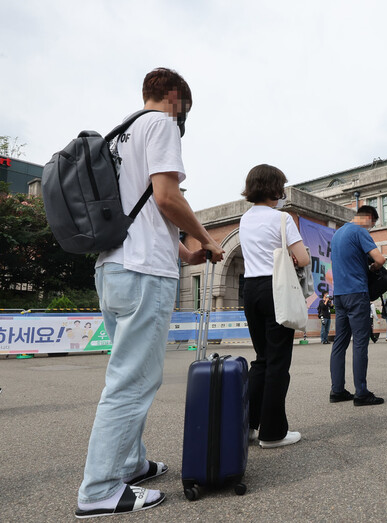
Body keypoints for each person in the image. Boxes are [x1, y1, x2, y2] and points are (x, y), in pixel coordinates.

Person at [76, 68, 224, 518]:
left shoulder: (120, 136)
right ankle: (100, 489)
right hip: (142, 273)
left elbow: (138, 210)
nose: (184, 121)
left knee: (128, 372)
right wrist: (208, 239)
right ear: (174, 97)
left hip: (114, 267)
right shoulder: (160, 123)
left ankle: (130, 464)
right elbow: (165, 197)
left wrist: (185, 254)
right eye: (186, 111)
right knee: (133, 380)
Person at [240, 164, 310, 449]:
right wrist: (293, 259)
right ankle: (273, 432)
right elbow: (303, 258)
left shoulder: (244, 219)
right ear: (275, 188)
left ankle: (248, 425)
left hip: (251, 290)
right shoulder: (282, 218)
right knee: (278, 362)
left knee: (261, 360)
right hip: (276, 288)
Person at [329, 206, 386, 406]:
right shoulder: (359, 231)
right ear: (368, 218)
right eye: (373, 224)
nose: (371, 228)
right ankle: (361, 392)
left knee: (340, 342)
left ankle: (337, 391)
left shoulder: (337, 234)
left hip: (340, 295)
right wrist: (374, 266)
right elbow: (380, 258)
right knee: (360, 342)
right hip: (357, 293)